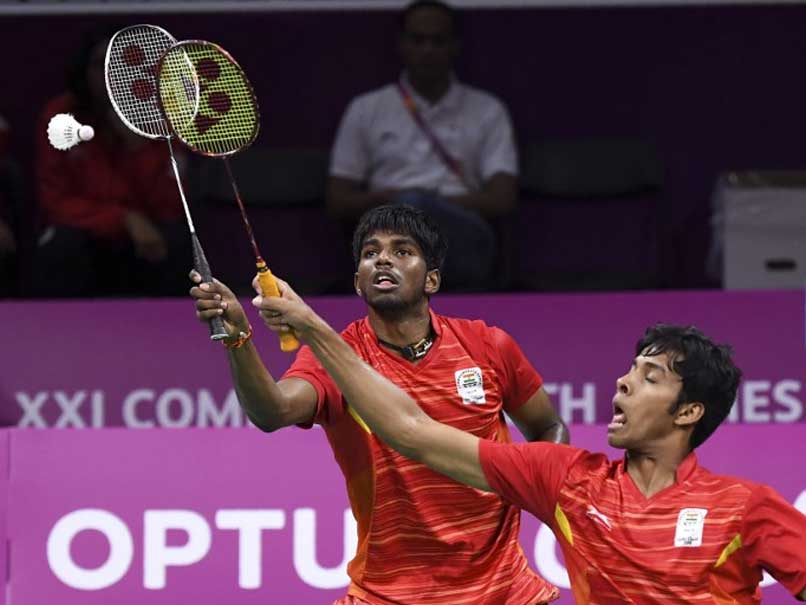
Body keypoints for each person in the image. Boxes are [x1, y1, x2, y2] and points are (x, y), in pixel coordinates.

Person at [250, 297, 806, 604]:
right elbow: (410, 431)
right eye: (629, 370)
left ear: (688, 412)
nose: (622, 384)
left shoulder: (742, 507)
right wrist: (317, 331)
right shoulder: (567, 479)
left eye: (650, 377)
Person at [190, 204, 568, 605]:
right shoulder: (336, 357)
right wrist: (238, 337)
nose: (383, 258)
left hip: (503, 592)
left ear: (432, 280)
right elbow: (272, 411)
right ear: (358, 282)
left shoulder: (488, 345)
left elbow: (548, 426)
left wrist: (535, 487)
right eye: (371, 253)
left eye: (402, 251)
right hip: (390, 594)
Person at [327, 0, 518, 291]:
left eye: (438, 40)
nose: (428, 50)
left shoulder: (487, 110)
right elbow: (338, 199)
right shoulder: (367, 108)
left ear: (455, 46)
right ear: (402, 45)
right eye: (418, 40)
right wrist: (396, 201)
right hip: (386, 231)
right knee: (401, 218)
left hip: (461, 235)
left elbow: (502, 198)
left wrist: (427, 203)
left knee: (416, 206)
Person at [33, 26, 189, 298]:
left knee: (178, 241)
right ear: (83, 71)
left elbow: (170, 205)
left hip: (148, 235)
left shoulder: (158, 116)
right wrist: (124, 218)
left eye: (116, 64)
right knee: (62, 246)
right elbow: (55, 201)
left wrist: (137, 147)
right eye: (98, 65)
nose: (108, 74)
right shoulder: (60, 116)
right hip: (89, 231)